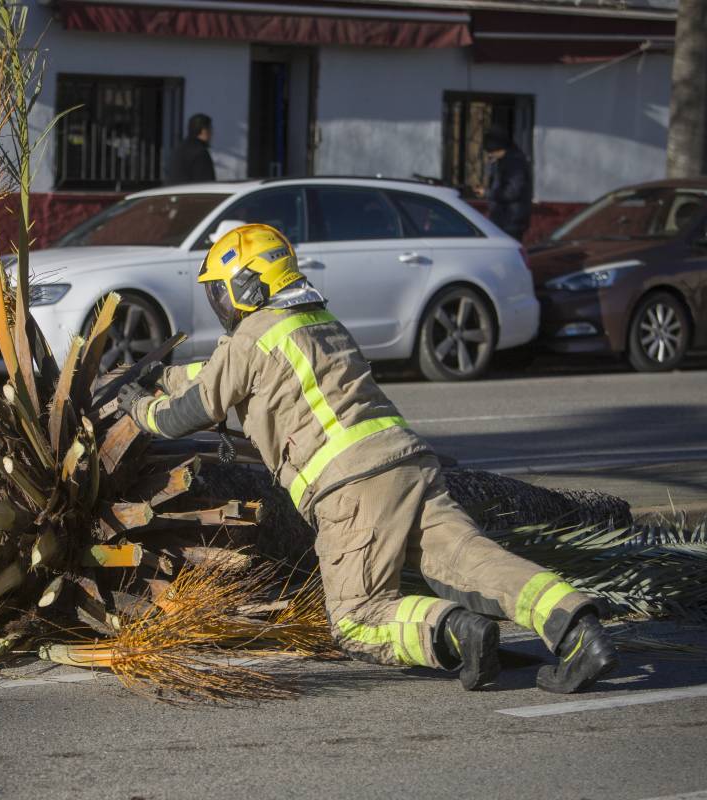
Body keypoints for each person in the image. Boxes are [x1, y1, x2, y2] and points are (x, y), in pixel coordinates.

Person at [116, 223, 619, 693]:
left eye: (219, 290)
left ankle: (453, 632)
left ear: (244, 286)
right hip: (409, 465)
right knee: (469, 560)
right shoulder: (318, 322)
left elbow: (185, 414)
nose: (219, 303)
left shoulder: (252, 337)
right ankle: (578, 628)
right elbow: (219, 373)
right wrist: (165, 375)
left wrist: (136, 405)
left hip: (351, 487)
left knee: (358, 617)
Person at [478, 126, 532, 241]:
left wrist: (488, 193)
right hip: (505, 219)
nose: (489, 155)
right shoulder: (505, 161)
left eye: (490, 152)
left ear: (498, 148)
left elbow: (512, 192)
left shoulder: (514, 163)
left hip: (510, 220)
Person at [165, 113, 216, 185]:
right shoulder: (200, 152)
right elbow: (206, 184)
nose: (212, 133)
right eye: (210, 129)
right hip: (190, 194)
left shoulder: (179, 148)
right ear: (204, 131)